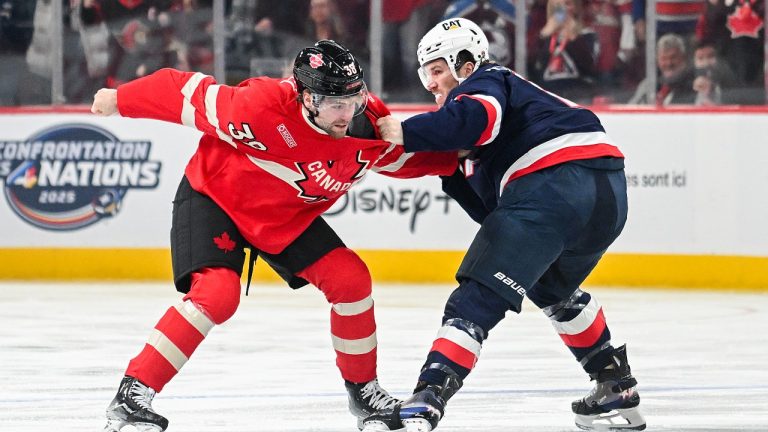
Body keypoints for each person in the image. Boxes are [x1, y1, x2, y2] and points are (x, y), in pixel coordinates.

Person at [90, 39, 459, 432]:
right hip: (217, 198)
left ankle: (364, 394)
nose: (347, 113)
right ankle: (132, 395)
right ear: (305, 97)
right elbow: (183, 93)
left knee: (351, 280)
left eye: (354, 99)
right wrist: (120, 99)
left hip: (285, 218)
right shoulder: (258, 106)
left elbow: (410, 159)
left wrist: (467, 154)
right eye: (336, 103)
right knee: (217, 294)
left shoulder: (369, 125)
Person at [362, 18, 645, 431]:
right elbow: (493, 214)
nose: (433, 85)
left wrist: (406, 131)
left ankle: (426, 399)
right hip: (607, 195)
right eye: (427, 75)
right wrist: (450, 169)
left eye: (437, 71)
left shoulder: (488, 79)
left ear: (465, 61)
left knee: (475, 300)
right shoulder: (504, 118)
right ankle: (615, 385)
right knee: (553, 289)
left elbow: (476, 118)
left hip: (552, 184)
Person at [628, 32, 694, 105]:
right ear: (657, 61)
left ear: (683, 58)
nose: (669, 63)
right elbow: (631, 110)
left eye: (673, 57)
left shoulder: (694, 85)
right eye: (664, 58)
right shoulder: (648, 85)